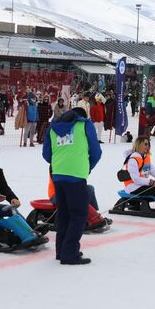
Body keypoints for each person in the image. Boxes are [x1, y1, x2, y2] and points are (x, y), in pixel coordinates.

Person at [42, 106, 102, 265]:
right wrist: (87, 167)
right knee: (79, 215)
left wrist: (60, 163)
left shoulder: (52, 128)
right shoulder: (84, 124)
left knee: (64, 214)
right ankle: (69, 252)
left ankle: (61, 251)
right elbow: (96, 151)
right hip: (76, 176)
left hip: (58, 176)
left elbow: (46, 154)